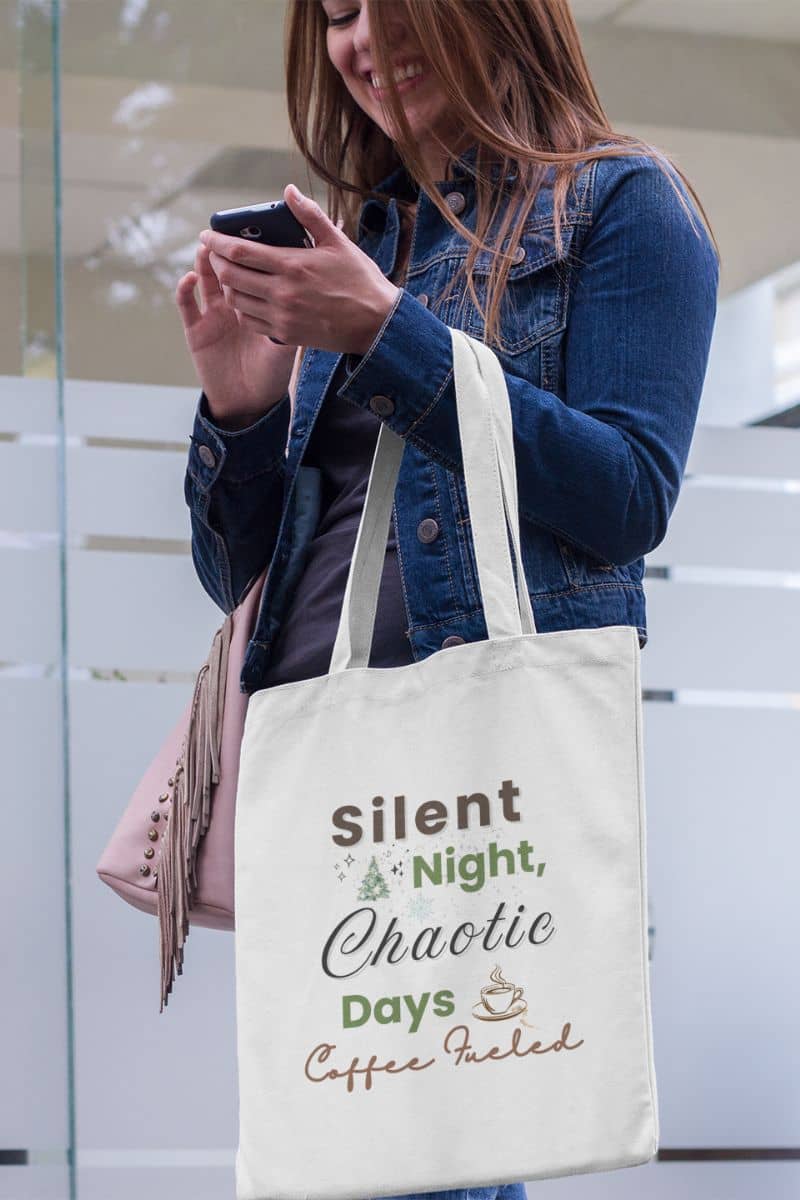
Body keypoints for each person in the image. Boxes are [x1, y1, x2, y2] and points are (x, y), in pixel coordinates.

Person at [175, 2, 720, 1197]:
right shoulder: (357, 234)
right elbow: (245, 583)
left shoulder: (623, 205)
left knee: (426, 1149)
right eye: (336, 15)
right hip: (328, 787)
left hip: (470, 777)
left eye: (397, 4)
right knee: (334, 1153)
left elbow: (627, 495)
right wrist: (240, 408)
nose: (366, 40)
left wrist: (389, 334)